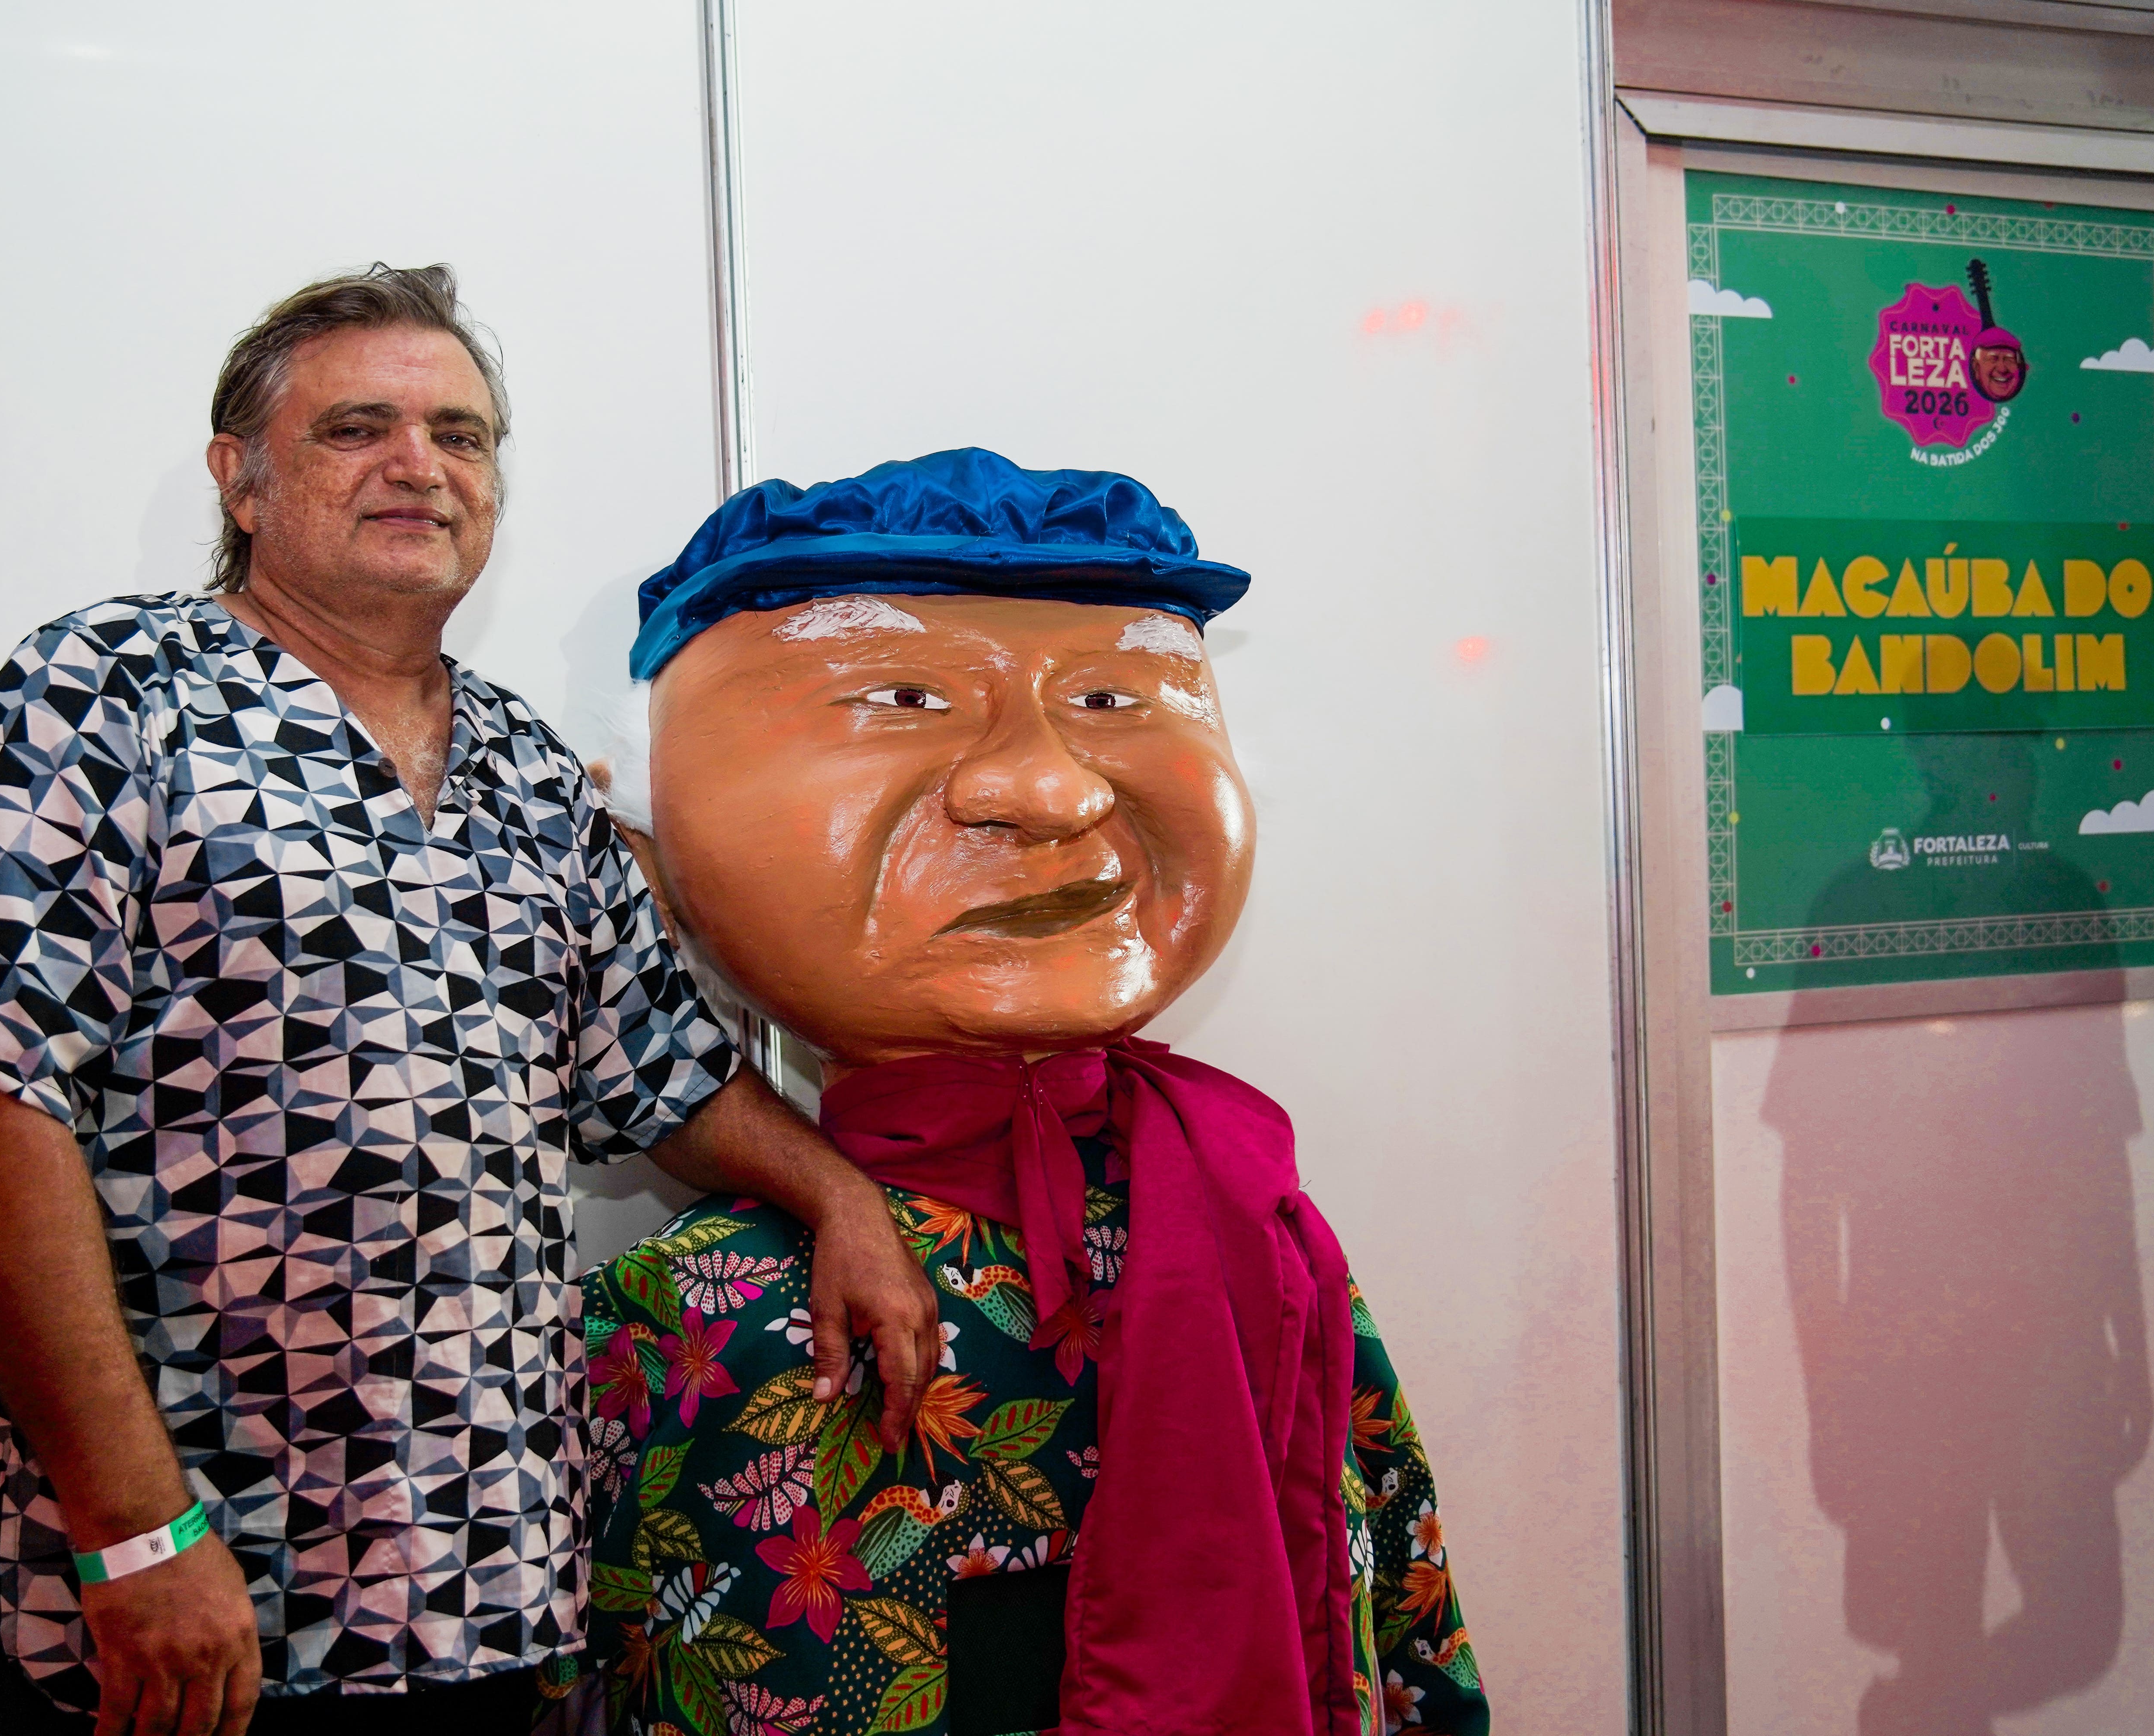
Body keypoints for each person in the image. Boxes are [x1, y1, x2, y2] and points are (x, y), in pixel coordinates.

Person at [0, 264, 935, 1736]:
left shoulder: (532, 772)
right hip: (179, 1614)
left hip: (481, 1594)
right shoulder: (105, 692)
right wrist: (137, 1532)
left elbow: (668, 1080)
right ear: (241, 478)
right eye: (360, 427)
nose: (422, 464)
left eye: (463, 435)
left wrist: (844, 1201)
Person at [563, 450, 1488, 1735]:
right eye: (900, 696)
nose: (1052, 788)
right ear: (652, 841)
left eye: (1117, 697)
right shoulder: (698, 1305)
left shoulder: (1244, 1222)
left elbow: (1388, 1581)